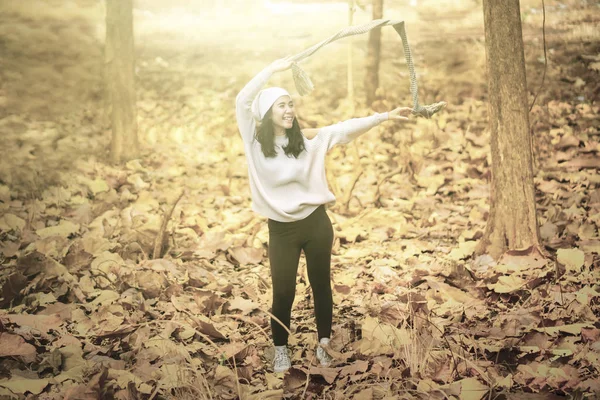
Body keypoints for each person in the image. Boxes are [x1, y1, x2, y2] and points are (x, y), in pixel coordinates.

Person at [235, 56, 412, 373]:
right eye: (281, 106)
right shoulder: (253, 142)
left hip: (317, 225)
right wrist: (271, 71)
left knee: (321, 286)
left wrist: (385, 116)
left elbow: (344, 129)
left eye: (291, 104)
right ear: (266, 113)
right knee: (284, 291)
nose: (289, 110)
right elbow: (243, 99)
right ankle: (280, 350)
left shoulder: (306, 141)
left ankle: (324, 345)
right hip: (281, 230)